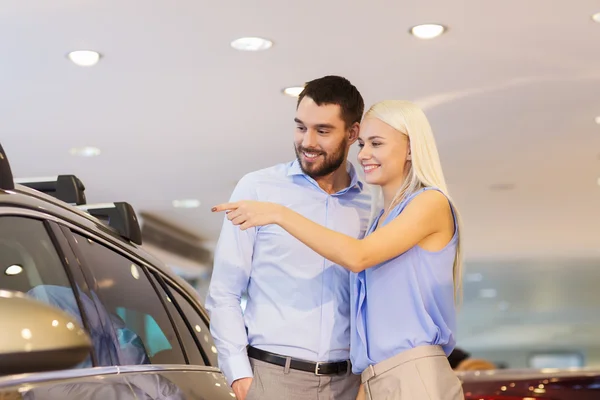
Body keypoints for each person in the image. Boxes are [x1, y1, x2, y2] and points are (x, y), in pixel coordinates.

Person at [213, 100, 465, 400]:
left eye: (376, 143)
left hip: (412, 375)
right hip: (374, 377)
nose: (365, 154)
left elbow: (358, 257)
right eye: (363, 144)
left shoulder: (429, 203)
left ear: (411, 148)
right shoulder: (379, 220)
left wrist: (280, 214)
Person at [205, 75, 373, 400]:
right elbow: (224, 292)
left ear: (353, 133)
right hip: (271, 379)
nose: (307, 141)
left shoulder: (371, 203)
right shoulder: (258, 189)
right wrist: (239, 376)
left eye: (322, 131)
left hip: (350, 383)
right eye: (300, 127)